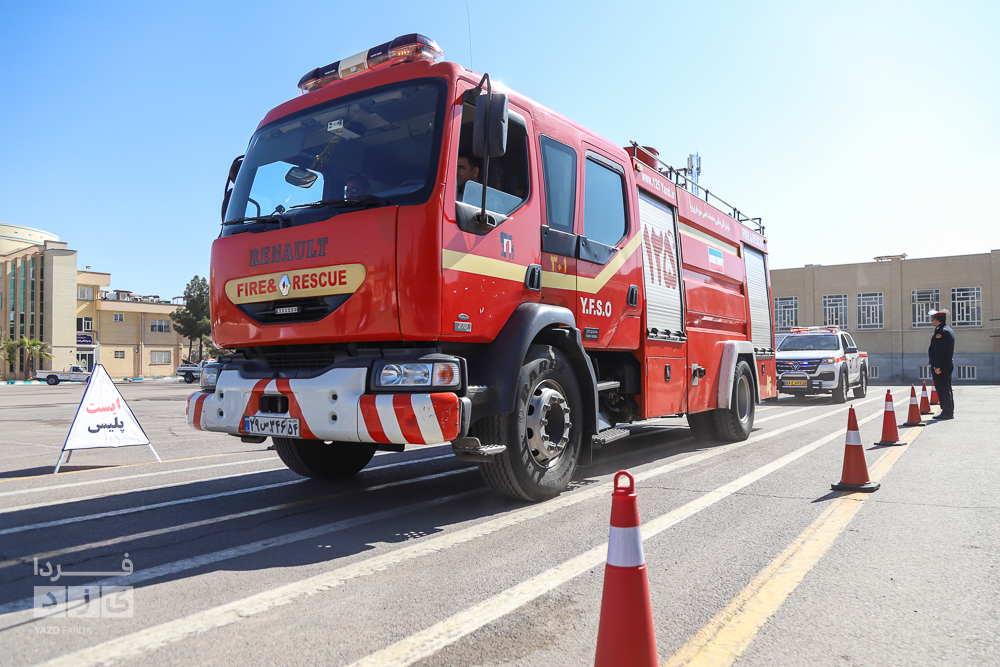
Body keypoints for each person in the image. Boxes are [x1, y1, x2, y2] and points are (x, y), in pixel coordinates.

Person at [927, 309, 955, 420]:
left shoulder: (941, 332)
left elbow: (939, 351)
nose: (932, 321)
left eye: (932, 319)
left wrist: (937, 366)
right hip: (947, 364)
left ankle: (947, 412)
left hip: (942, 366)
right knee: (946, 388)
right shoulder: (948, 329)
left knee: (943, 389)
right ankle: (948, 411)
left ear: (936, 320)